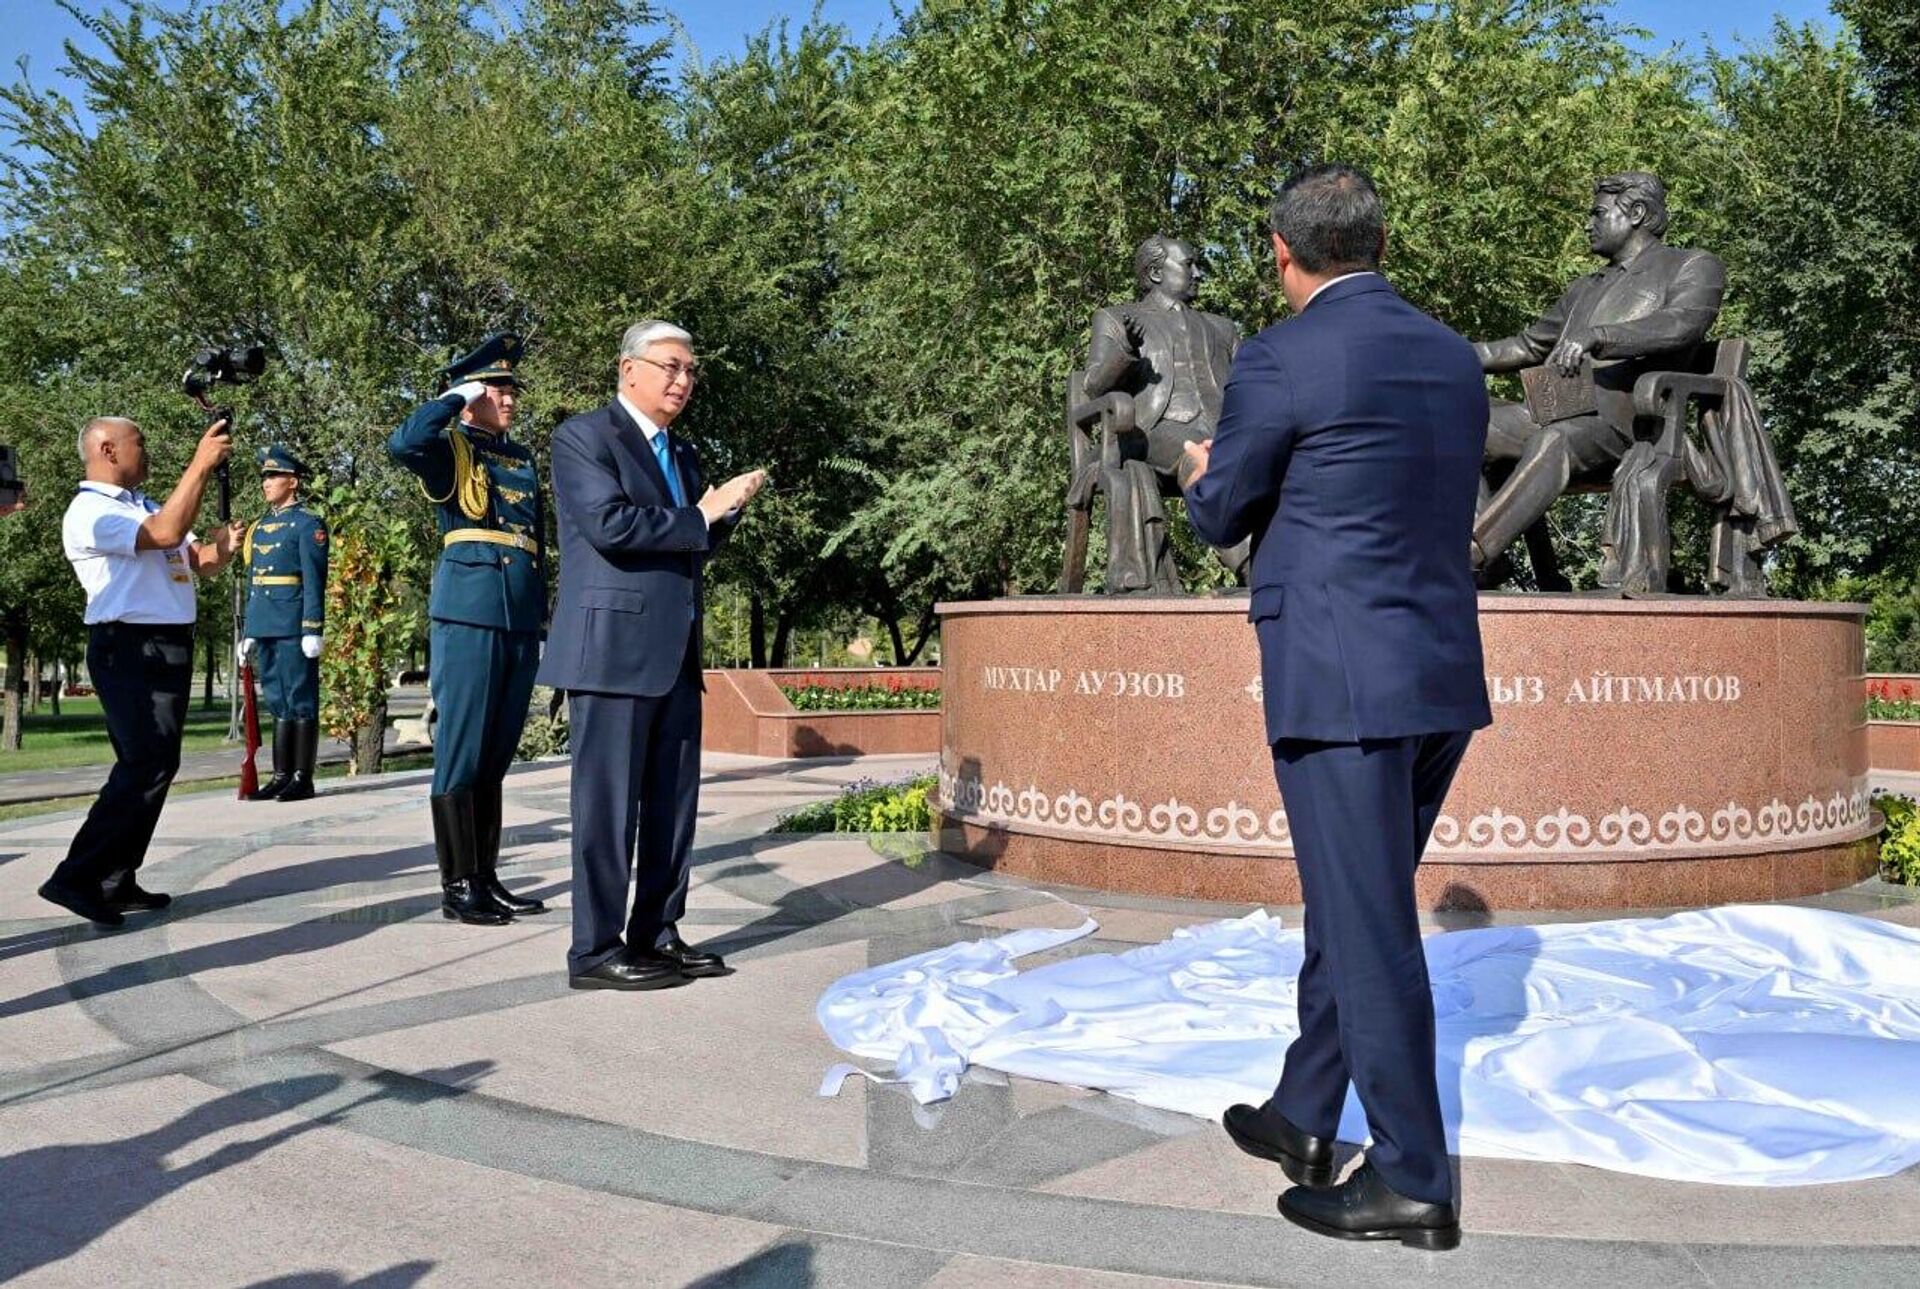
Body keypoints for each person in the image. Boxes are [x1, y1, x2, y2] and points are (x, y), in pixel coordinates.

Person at [1181, 165, 1491, 1251]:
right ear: (1380, 241)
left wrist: (1200, 471)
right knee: (1350, 899)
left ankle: (1410, 1175)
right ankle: (1307, 1111)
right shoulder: (1452, 356)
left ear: (1282, 251)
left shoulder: (1280, 355)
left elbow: (1225, 510)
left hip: (1338, 678)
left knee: (1367, 923)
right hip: (1437, 672)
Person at [538, 320, 766, 991]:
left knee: (673, 805)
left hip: (675, 652)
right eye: (671, 366)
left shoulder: (683, 453)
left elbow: (689, 544)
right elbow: (610, 525)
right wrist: (703, 514)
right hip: (611, 652)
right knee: (608, 808)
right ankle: (595, 951)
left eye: (691, 370)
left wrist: (726, 513)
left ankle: (656, 932)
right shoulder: (584, 437)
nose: (683, 380)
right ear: (629, 368)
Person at [1469, 172, 1725, 578]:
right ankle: (1490, 563)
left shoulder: (1691, 265)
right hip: (1557, 409)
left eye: (1598, 214)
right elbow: (1528, 345)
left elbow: (1682, 324)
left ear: (1636, 213)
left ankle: (1472, 553)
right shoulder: (1584, 288)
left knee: (1554, 440)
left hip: (1632, 424)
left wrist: (1600, 336)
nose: (1588, 225)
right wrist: (1446, 354)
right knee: (1463, 425)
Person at [41, 416, 244, 927]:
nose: (146, 450)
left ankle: (116, 877)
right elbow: (166, 533)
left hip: (164, 645)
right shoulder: (91, 511)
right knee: (144, 763)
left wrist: (222, 548)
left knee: (158, 764)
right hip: (131, 647)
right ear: (108, 450)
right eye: (140, 442)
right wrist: (200, 464)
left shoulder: (144, 504)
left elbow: (196, 559)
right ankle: (76, 877)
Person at [388, 332, 549, 926]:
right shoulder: (447, 449)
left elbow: (536, 541)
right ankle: (457, 884)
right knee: (462, 750)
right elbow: (403, 443)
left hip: (518, 615)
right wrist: (456, 398)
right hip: (470, 612)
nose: (508, 399)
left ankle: (485, 876)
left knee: (497, 752)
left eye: (511, 390)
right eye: (496, 389)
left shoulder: (521, 458)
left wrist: (542, 615)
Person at [238, 445, 329, 802]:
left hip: (292, 624)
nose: (266, 482)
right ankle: (280, 776)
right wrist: (250, 631)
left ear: (292, 482)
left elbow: (313, 579)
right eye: (265, 477)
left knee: (300, 699)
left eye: (273, 476)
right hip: (265, 625)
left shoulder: (307, 525)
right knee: (277, 700)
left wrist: (312, 628)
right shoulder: (259, 528)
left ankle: (302, 777)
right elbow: (254, 582)